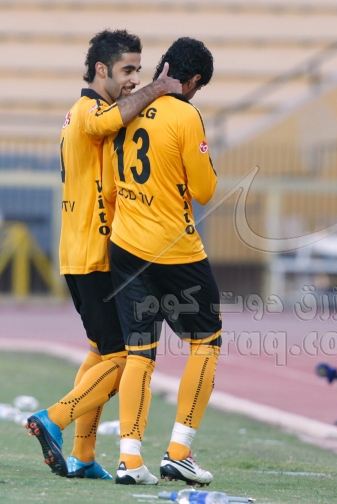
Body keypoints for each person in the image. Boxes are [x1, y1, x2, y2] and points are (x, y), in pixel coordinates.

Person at [25, 29, 181, 480]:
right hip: (95, 252)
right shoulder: (89, 111)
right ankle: (53, 417)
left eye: (139, 70)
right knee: (124, 357)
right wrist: (160, 88)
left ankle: (83, 456)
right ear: (100, 69)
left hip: (82, 251)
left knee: (100, 352)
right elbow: (110, 121)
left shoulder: (88, 113)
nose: (134, 78)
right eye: (127, 70)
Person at [102, 37, 221, 486]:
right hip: (174, 249)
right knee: (206, 342)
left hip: (125, 244)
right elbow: (205, 190)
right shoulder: (185, 114)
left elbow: (110, 183)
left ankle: (129, 459)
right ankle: (179, 452)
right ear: (193, 80)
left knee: (139, 352)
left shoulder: (126, 106)